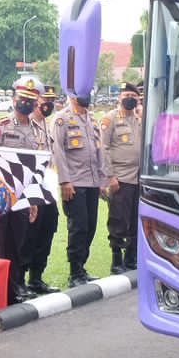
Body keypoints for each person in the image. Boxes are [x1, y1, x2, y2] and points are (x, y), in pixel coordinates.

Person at [0, 76, 49, 304]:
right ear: (14, 100)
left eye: (31, 100)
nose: (26, 103)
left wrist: (33, 200)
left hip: (22, 196)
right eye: (23, 99)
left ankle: (12, 291)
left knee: (16, 245)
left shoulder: (37, 131)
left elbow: (36, 168)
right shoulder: (1, 126)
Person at [51, 87, 105, 285]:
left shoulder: (91, 119)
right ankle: (75, 272)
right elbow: (57, 151)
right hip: (74, 182)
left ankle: (82, 266)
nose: (86, 95)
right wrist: (64, 180)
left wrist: (102, 180)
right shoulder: (62, 119)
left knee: (90, 226)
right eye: (82, 92)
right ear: (72, 95)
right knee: (78, 227)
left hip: (92, 182)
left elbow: (99, 152)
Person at [20, 84, 63, 293]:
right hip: (30, 187)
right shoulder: (28, 125)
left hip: (47, 187)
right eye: (46, 101)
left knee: (48, 229)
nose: (49, 105)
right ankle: (21, 279)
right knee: (29, 234)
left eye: (52, 101)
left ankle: (37, 277)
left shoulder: (46, 125)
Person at [102, 82, 143, 274]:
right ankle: (116, 260)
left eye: (133, 96)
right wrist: (110, 176)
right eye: (126, 95)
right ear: (119, 97)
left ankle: (131, 258)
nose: (130, 99)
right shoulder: (110, 118)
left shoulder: (139, 120)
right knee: (118, 220)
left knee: (135, 220)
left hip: (138, 178)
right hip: (120, 178)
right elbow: (103, 149)